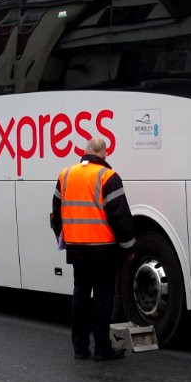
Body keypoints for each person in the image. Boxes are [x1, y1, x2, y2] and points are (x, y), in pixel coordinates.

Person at [52, 137, 135, 361]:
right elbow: (121, 218)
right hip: (103, 249)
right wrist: (129, 248)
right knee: (102, 298)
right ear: (104, 154)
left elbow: (56, 212)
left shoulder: (66, 174)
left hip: (76, 248)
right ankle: (101, 348)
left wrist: (62, 236)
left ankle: (79, 348)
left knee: (80, 294)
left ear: (85, 152)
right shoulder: (108, 177)